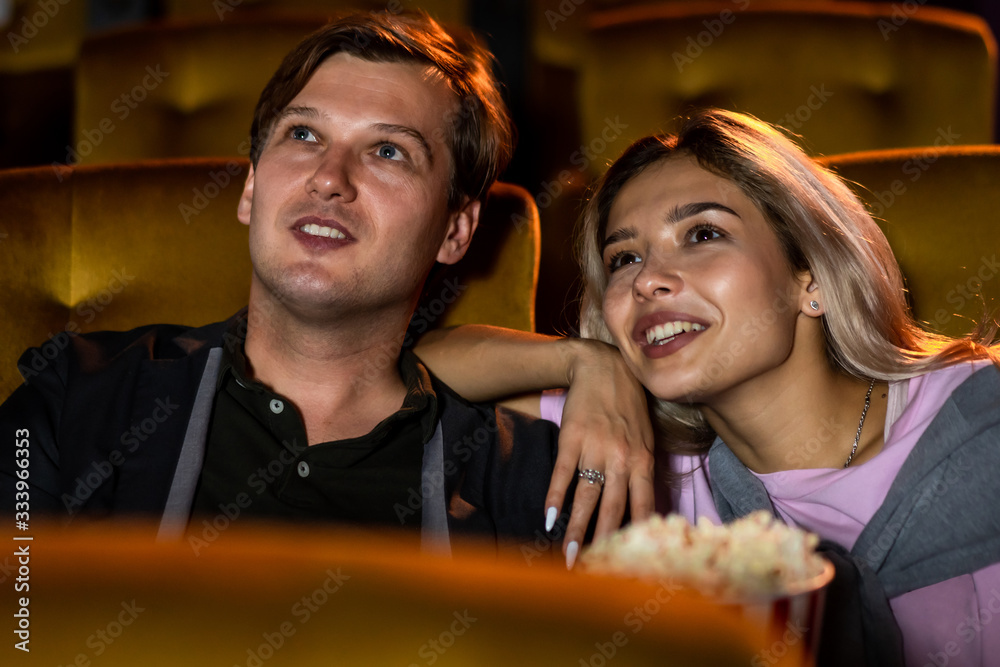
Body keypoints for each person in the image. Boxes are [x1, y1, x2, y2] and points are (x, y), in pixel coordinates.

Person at [0, 10, 653, 557]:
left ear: (456, 229)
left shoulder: (539, 486)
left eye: (389, 150)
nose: (330, 178)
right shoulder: (73, 405)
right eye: (304, 134)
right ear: (252, 188)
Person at [415, 109, 1000, 665]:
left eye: (702, 235)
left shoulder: (982, 421)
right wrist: (586, 362)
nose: (648, 281)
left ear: (812, 277)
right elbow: (412, 370)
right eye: (624, 258)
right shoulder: (650, 445)